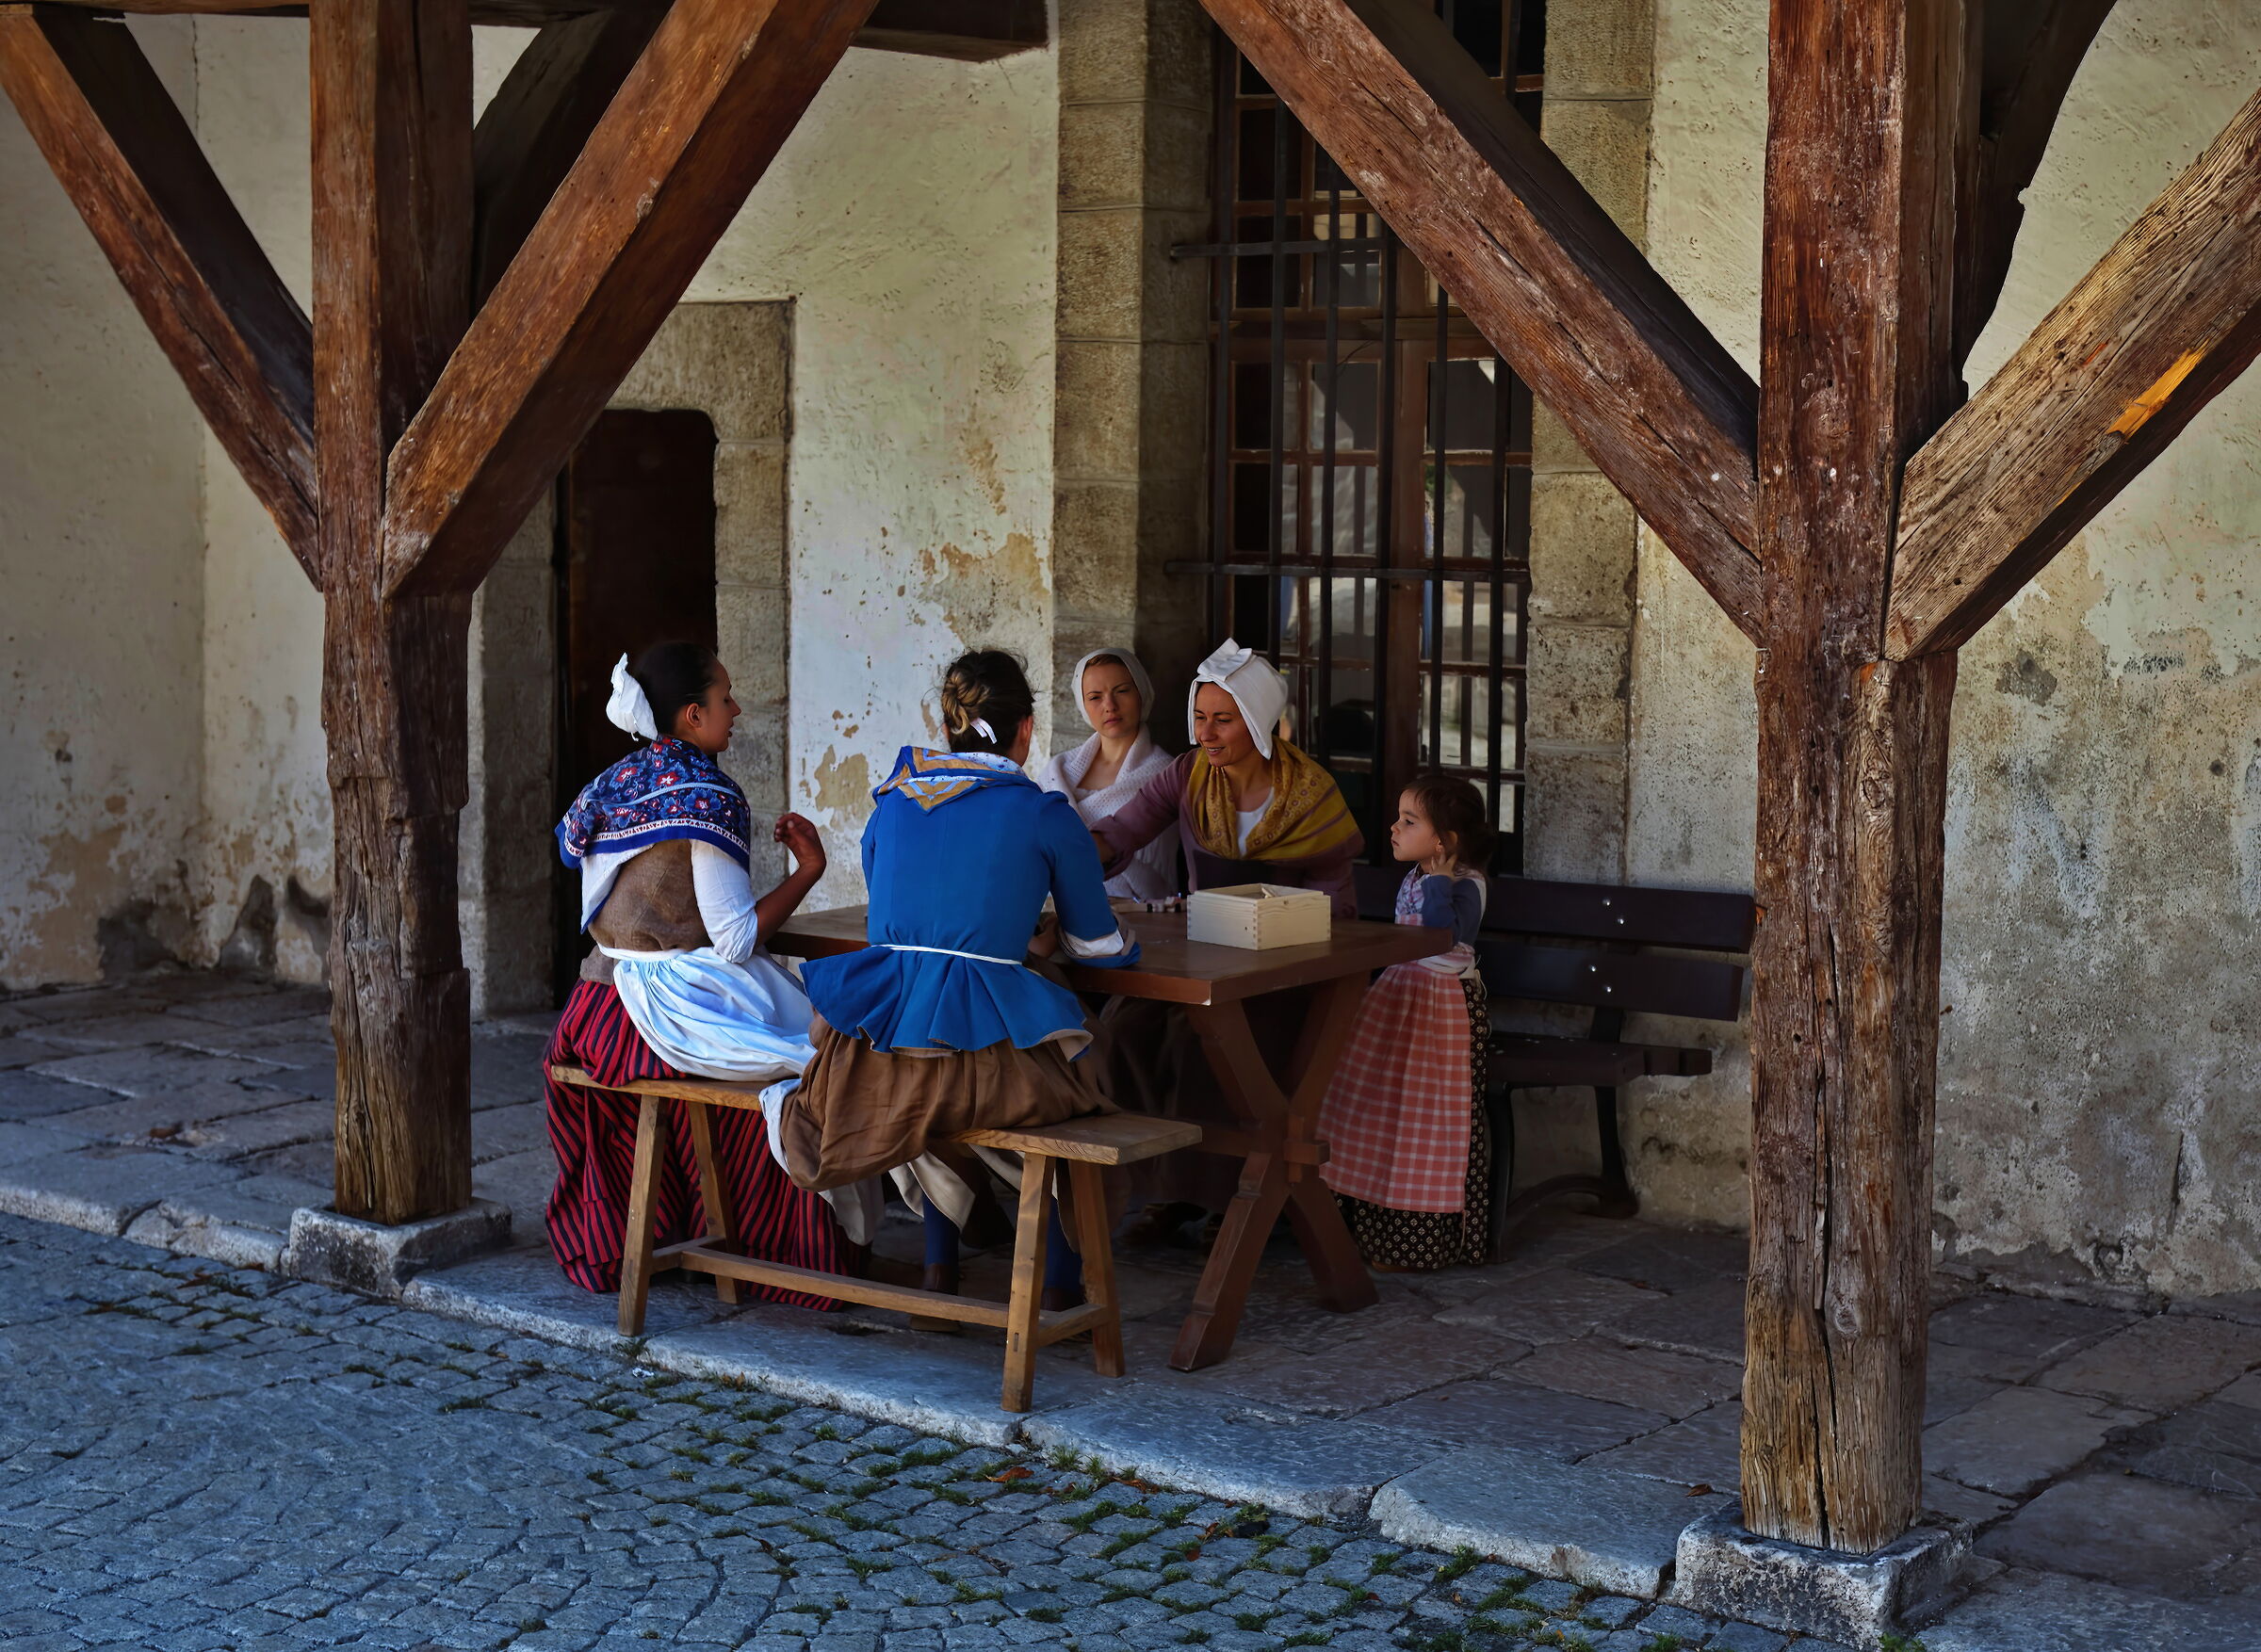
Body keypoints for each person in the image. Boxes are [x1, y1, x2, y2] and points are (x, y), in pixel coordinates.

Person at [765, 650, 1143, 1310]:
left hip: (884, 1063)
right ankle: (1057, 1285)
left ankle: (941, 1268)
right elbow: (1100, 947)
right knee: (1093, 1069)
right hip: (993, 1074)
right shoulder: (1045, 814)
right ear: (1026, 730)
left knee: (924, 1064)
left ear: (948, 728)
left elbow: (907, 927)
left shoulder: (891, 805)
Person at [543, 642, 844, 1304]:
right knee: (813, 1067)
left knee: (792, 1044)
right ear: (690, 715)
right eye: (724, 699)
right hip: (657, 1012)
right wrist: (810, 872)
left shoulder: (621, 778)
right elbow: (734, 941)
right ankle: (783, 1257)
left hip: (593, 1012)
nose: (735, 710)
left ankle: (665, 1233)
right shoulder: (708, 796)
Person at [1316, 774, 1496, 1270]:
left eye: (1409, 821)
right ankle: (1356, 1225)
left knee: (1428, 1117)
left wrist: (1440, 878)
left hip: (1441, 1012)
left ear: (1445, 841)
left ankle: (1417, 1242)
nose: (1394, 828)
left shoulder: (1466, 884)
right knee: (1375, 1106)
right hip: (1399, 1000)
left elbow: (1441, 934)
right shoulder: (1416, 875)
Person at [1088, 639, 1362, 916]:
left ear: (1258, 721)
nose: (1205, 734)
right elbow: (1124, 829)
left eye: (1222, 720)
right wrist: (1066, 856)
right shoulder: (1187, 774)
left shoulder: (1311, 793)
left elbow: (1333, 905)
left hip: (1289, 943)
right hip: (1205, 937)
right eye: (1199, 717)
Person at [1034, 648, 1177, 900]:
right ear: (1082, 705)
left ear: (1142, 693)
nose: (1109, 706)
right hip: (1056, 911)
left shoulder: (1166, 775)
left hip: (1143, 915)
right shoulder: (1056, 771)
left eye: (1122, 691)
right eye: (1095, 697)